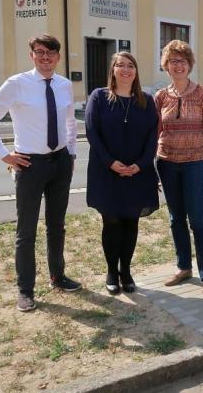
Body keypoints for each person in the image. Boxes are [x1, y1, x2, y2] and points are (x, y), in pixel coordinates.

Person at [0, 34, 82, 312]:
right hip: (30, 165)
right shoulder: (17, 84)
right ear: (32, 55)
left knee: (57, 225)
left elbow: (70, 122)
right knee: (26, 231)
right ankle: (25, 290)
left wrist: (71, 153)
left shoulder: (64, 85)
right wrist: (4, 154)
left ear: (58, 57)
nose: (45, 57)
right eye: (40, 52)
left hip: (60, 162)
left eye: (51, 53)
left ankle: (58, 276)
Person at [85, 52, 158, 295]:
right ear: (113, 70)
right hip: (106, 172)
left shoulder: (146, 101)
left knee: (131, 221)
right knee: (112, 221)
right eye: (120, 65)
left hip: (138, 172)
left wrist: (141, 164)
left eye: (130, 66)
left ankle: (125, 271)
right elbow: (92, 132)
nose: (126, 70)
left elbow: (153, 136)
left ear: (136, 71)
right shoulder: (99, 97)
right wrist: (110, 162)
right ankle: (111, 272)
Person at [154, 40, 203, 300]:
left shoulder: (202, 94)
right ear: (166, 66)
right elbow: (156, 132)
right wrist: (151, 166)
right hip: (167, 163)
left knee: (198, 220)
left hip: (195, 164)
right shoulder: (161, 96)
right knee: (175, 218)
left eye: (182, 61)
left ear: (189, 65)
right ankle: (183, 267)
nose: (178, 65)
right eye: (173, 61)